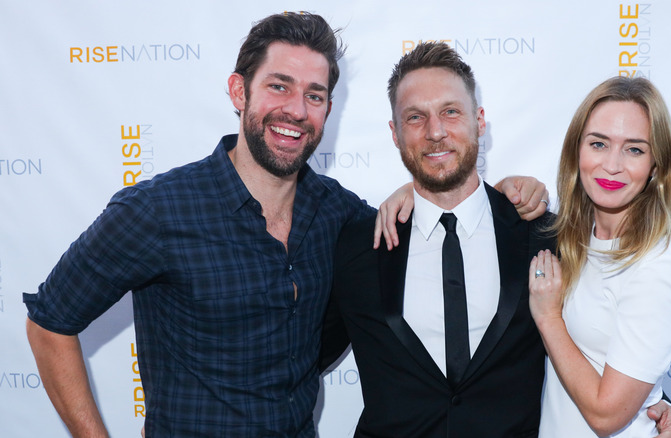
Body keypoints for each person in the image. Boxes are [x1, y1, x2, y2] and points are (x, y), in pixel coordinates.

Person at [23, 12, 546, 437]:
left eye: (314, 95)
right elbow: (49, 321)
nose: (295, 110)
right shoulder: (159, 210)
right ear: (238, 92)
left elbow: (438, 205)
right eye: (279, 86)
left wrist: (431, 185)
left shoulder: (338, 214)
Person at [321, 42, 671, 438]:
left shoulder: (547, 237)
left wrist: (654, 400)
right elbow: (303, 357)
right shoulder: (356, 247)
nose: (436, 131)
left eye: (451, 112)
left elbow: (609, 339)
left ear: (479, 120)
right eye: (415, 117)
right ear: (395, 133)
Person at [528, 76, 671, 437]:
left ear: (656, 166)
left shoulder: (657, 267)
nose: (612, 165)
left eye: (634, 149)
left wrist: (549, 318)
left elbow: (607, 416)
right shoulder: (574, 238)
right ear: (577, 151)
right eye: (599, 144)